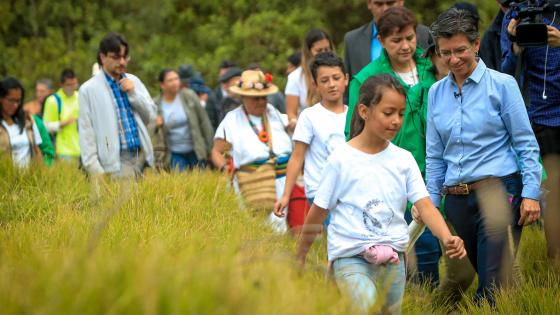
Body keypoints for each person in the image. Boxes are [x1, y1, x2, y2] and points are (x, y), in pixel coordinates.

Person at [296, 74, 466, 314]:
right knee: (366, 306)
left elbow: (426, 206)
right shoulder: (341, 160)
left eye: (400, 113)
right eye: (388, 113)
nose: (396, 120)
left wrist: (446, 237)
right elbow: (317, 212)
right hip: (351, 257)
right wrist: (300, 255)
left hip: (393, 260)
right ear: (364, 111)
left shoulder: (403, 159)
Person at [427, 8, 542, 305]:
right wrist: (430, 203)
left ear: (476, 45)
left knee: (491, 289)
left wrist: (530, 193)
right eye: (445, 53)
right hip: (455, 202)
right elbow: (435, 156)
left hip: (498, 193)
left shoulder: (502, 85)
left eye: (460, 50)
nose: (453, 60)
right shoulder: (436, 93)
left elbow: (525, 143)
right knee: (492, 282)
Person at [345, 6, 442, 286]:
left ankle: (426, 297)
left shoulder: (430, 67)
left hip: (433, 169)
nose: (406, 46)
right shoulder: (367, 79)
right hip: (389, 174)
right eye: (396, 40)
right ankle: (408, 297)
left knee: (433, 244)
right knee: (399, 246)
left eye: (410, 38)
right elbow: (352, 132)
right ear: (382, 41)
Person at [503, 1, 560, 263]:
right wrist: (514, 48)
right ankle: (550, 261)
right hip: (536, 116)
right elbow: (504, 75)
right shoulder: (517, 14)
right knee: (552, 192)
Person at [211, 70, 293, 233]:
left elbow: (292, 127)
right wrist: (225, 168)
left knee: (286, 231)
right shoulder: (232, 120)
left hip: (284, 180)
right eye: (256, 98)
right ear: (243, 97)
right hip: (252, 182)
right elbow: (216, 151)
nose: (261, 101)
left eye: (264, 97)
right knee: (258, 229)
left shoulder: (273, 113)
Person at [274, 52, 348, 224]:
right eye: (324, 80)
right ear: (315, 85)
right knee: (340, 239)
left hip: (348, 190)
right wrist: (286, 195)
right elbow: (297, 156)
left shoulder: (354, 114)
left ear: (346, 79)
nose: (331, 85)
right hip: (320, 193)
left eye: (336, 78)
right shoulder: (309, 116)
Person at [79, 32, 156, 178]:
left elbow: (151, 116)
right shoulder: (88, 90)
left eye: (125, 57)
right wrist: (95, 169)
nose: (122, 62)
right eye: (116, 57)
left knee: (142, 201)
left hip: (140, 160)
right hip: (112, 165)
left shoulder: (134, 82)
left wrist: (133, 93)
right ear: (102, 57)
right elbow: (86, 134)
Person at [343, 0, 433, 82]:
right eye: (379, 4)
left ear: (401, 1)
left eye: (390, 3)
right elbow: (347, 85)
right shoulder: (352, 40)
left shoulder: (425, 34)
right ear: (369, 3)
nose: (385, 9)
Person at [154, 69, 214, 171]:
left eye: (176, 79)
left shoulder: (189, 96)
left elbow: (204, 122)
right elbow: (150, 130)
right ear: (162, 85)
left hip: (195, 150)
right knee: (181, 183)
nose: (174, 83)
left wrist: (211, 149)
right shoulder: (156, 104)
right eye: (170, 80)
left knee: (200, 182)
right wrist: (156, 125)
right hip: (174, 152)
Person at [285, 28, 334, 131]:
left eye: (327, 49)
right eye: (319, 51)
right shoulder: (295, 78)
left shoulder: (337, 74)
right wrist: (294, 122)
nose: (324, 53)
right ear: (309, 52)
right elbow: (291, 114)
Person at [0, 77, 43, 167]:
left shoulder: (27, 120)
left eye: (18, 101)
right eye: (11, 100)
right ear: (1, 98)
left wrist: (40, 174)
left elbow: (37, 151)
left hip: (28, 179)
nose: (15, 105)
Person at [43, 69, 80, 161]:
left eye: (74, 84)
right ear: (61, 84)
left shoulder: (80, 96)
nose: (72, 87)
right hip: (63, 151)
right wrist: (62, 124)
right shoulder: (53, 100)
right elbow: (45, 127)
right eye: (69, 85)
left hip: (82, 150)